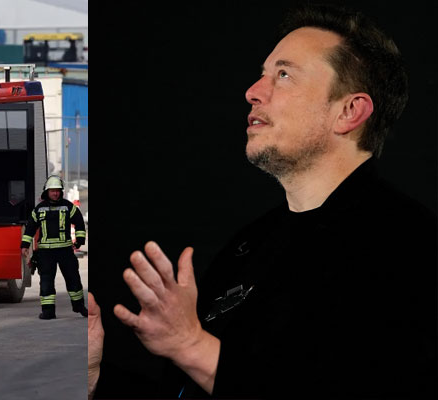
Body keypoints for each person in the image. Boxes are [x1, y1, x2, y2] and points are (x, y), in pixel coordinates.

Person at [89, 3, 437, 399]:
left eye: (284, 75)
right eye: (262, 75)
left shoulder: (410, 248)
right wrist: (94, 381)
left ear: (349, 111)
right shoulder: (249, 248)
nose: (253, 92)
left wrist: (191, 347)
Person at [21, 175, 88, 320]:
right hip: (46, 253)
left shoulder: (68, 207)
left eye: (58, 191)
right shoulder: (39, 209)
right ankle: (48, 311)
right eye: (53, 191)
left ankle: (79, 306)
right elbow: (30, 228)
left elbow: (79, 222)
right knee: (46, 282)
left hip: (65, 250)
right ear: (47, 192)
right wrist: (25, 245)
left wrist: (80, 240)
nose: (56, 193)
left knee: (73, 279)